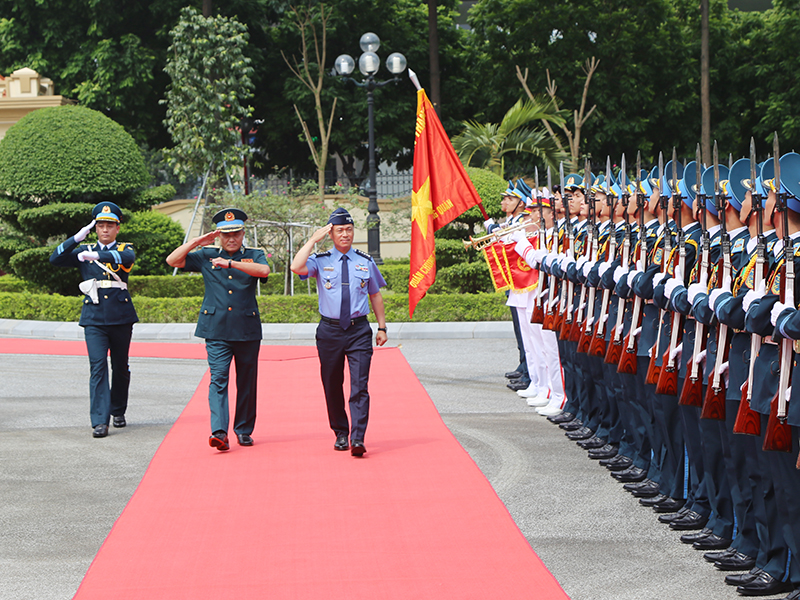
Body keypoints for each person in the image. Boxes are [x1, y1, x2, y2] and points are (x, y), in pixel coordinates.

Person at [166, 208, 270, 451]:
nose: (231, 238)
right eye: (225, 234)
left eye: (235, 233)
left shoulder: (255, 254)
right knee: (219, 378)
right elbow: (173, 261)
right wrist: (196, 242)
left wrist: (230, 263)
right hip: (215, 330)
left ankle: (243, 430)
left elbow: (264, 272)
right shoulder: (205, 254)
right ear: (219, 236)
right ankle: (219, 432)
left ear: (243, 233)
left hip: (246, 329)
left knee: (246, 382)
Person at [290, 207, 388, 457]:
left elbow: (375, 294)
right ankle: (341, 433)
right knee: (332, 383)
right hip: (330, 331)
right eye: (339, 231)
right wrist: (313, 240)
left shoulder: (365, 261)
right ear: (331, 234)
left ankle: (358, 437)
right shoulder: (321, 261)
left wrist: (382, 327)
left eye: (349, 230)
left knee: (359, 385)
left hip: (358, 330)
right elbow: (295, 267)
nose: (345, 235)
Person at [49, 201, 138, 438]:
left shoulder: (125, 248)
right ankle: (100, 420)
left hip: (120, 316)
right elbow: (54, 259)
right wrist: (75, 239)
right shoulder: (83, 248)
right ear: (95, 228)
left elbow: (126, 257)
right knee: (97, 367)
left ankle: (118, 409)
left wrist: (95, 254)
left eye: (110, 225)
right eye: (100, 226)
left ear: (117, 228)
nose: (105, 230)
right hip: (94, 317)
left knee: (120, 367)